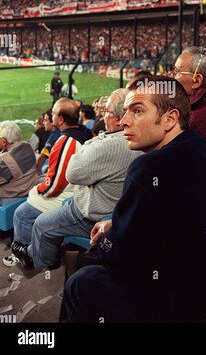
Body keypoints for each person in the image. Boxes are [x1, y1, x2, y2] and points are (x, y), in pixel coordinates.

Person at [64, 76, 206, 323]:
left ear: (170, 119)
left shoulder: (149, 168)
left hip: (199, 302)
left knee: (81, 282)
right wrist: (118, 223)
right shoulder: (201, 147)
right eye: (125, 111)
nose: (124, 121)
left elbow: (122, 263)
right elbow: (179, 215)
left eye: (137, 111)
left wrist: (107, 241)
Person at [29, 89, 142, 270]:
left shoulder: (109, 145)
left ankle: (44, 267)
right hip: (113, 210)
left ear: (120, 118)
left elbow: (71, 173)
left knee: (41, 225)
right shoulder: (139, 137)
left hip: (89, 215)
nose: (104, 117)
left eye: (107, 113)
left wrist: (88, 146)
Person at [3, 99, 93, 269]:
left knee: (22, 213)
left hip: (70, 195)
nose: (50, 117)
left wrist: (37, 189)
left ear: (60, 120)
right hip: (80, 191)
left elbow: (54, 185)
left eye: (53, 114)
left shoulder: (65, 141)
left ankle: (30, 256)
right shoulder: (84, 131)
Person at [0, 121, 38, 202]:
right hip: (29, 189)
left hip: (13, 196)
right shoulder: (28, 146)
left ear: (4, 141)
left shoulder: (5, 161)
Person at [36, 110, 61, 174]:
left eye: (45, 120)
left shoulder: (54, 136)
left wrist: (33, 174)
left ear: (52, 122)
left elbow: (42, 157)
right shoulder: (61, 131)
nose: (43, 123)